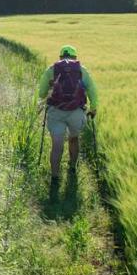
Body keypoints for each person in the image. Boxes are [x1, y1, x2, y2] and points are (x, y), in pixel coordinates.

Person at [38, 44, 98, 183]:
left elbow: (41, 92)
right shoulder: (82, 70)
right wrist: (93, 108)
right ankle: (72, 167)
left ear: (60, 57)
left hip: (56, 112)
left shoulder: (52, 70)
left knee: (57, 145)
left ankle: (55, 177)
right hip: (76, 112)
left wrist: (44, 100)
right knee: (74, 139)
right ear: (75, 57)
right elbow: (92, 91)